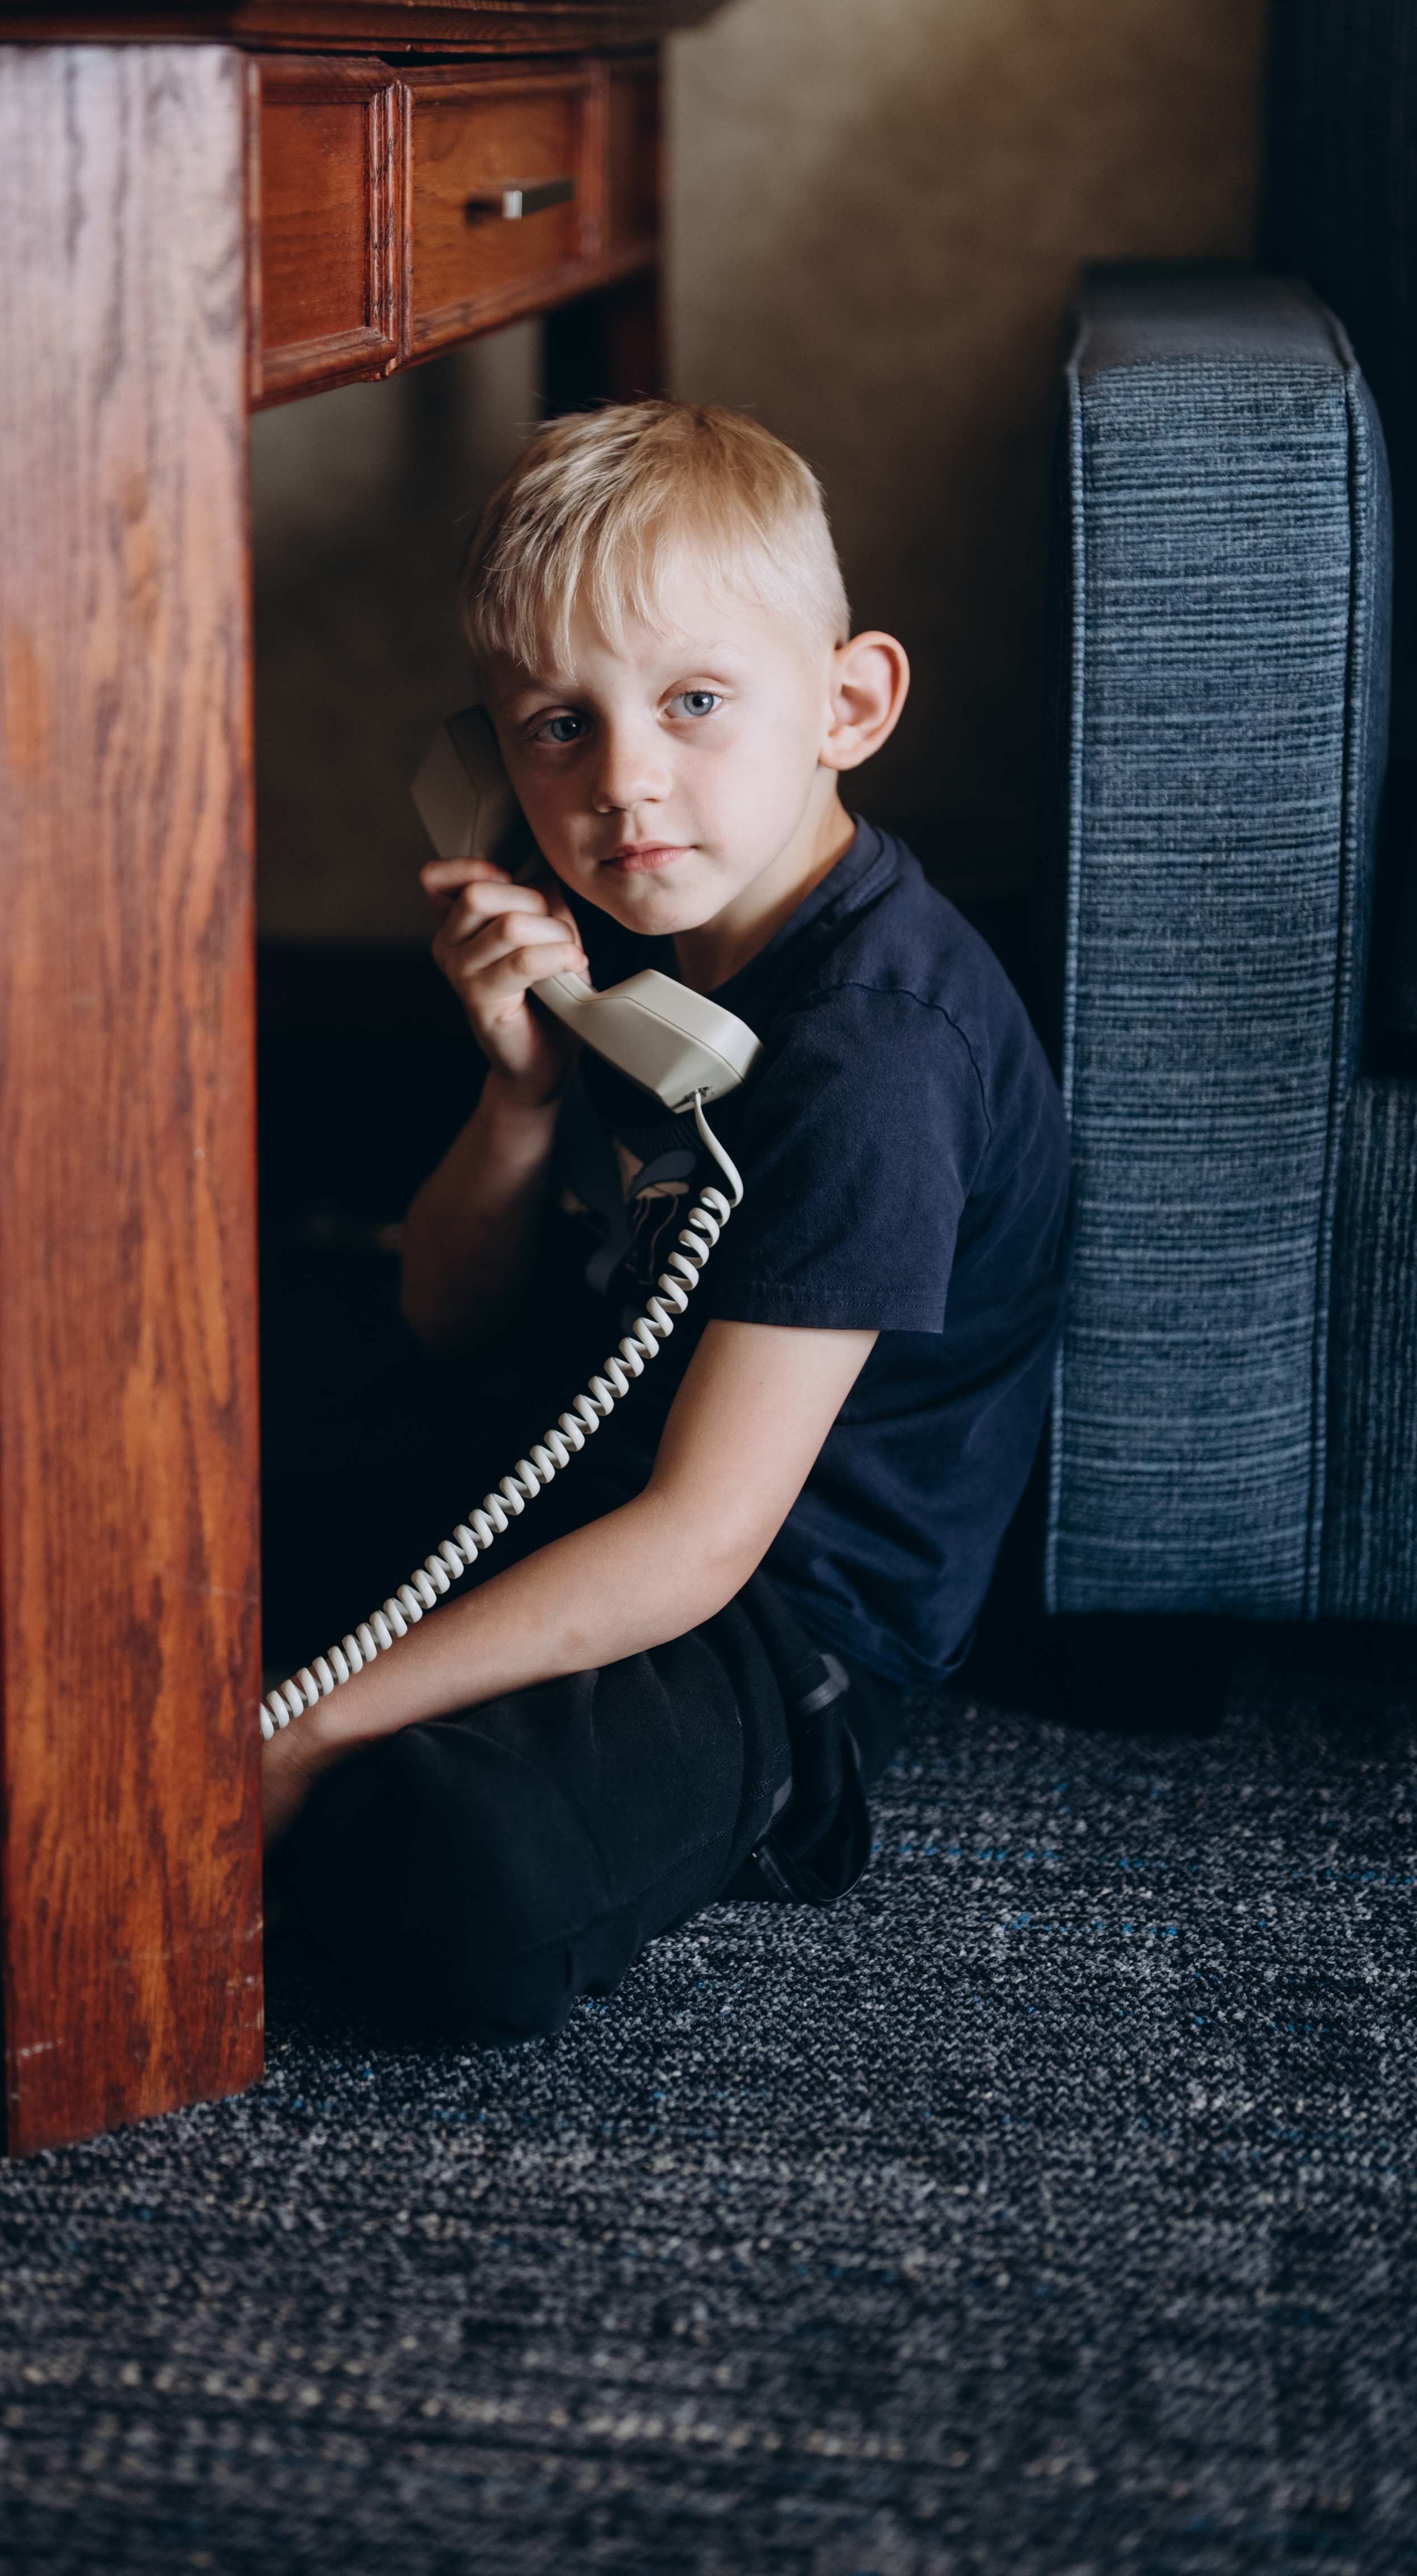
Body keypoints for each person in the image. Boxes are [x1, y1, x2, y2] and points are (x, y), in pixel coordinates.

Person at [266, 401, 1070, 2037]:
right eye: (558, 727)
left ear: (848, 705)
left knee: (463, 1878)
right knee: (73, 1571)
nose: (626, 785)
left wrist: (308, 1734)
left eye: (697, 702)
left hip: (768, 1620)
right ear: (487, 767)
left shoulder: (876, 1057)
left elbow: (703, 1540)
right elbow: (447, 1322)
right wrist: (522, 1093)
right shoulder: (638, 933)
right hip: (564, 1482)